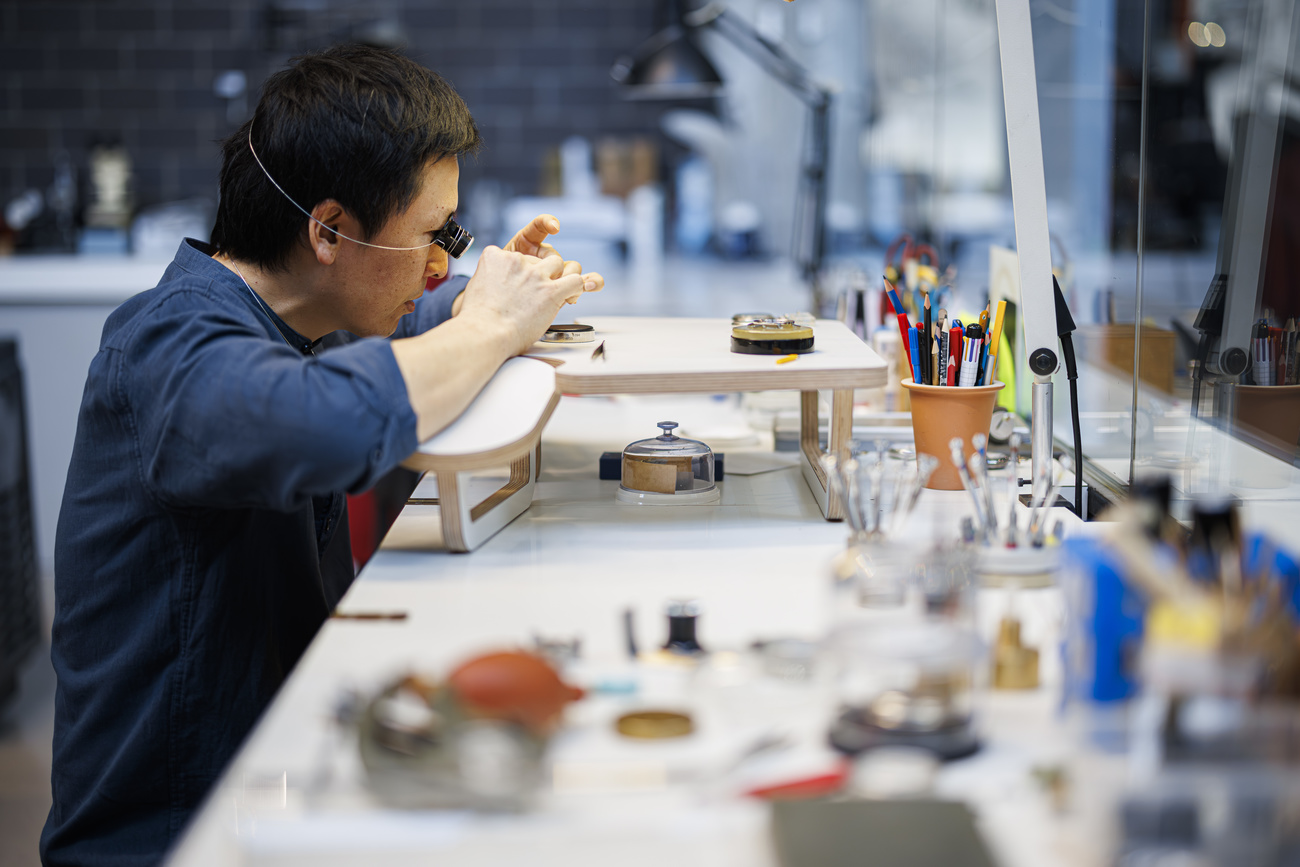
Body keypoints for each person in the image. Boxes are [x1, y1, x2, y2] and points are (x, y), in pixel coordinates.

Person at [40, 44, 602, 867]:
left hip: (274, 788)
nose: (444, 262)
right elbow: (324, 419)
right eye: (431, 234)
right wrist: (488, 327)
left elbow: (412, 341)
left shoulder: (296, 316)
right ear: (331, 230)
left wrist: (500, 296)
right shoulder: (167, 342)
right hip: (172, 839)